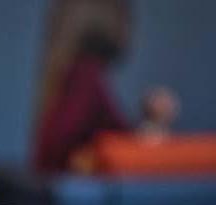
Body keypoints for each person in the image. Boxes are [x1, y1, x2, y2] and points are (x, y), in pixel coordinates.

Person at [33, 0, 178, 173]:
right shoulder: (85, 75)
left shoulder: (73, 72)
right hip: (66, 192)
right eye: (126, 19)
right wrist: (153, 125)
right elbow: (64, 142)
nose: (128, 29)